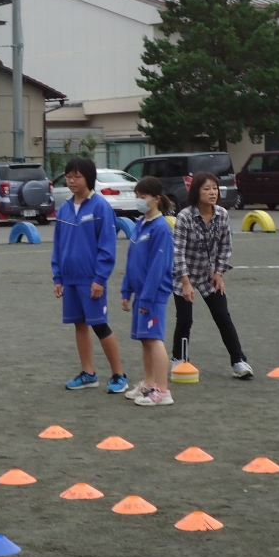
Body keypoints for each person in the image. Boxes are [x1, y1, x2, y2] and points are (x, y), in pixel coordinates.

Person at [50, 157, 127, 394]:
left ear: (88, 178)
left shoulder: (101, 208)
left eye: (77, 176)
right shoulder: (64, 209)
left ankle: (118, 375)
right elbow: (58, 246)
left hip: (91, 280)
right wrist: (58, 277)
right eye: (68, 176)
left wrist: (99, 279)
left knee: (100, 325)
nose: (71, 181)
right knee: (79, 325)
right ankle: (88, 373)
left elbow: (106, 247)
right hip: (70, 279)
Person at [171, 172, 252, 379]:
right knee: (185, 319)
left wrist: (219, 272)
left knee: (223, 316)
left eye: (215, 188)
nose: (212, 192)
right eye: (206, 188)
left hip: (208, 275)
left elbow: (226, 246)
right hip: (184, 274)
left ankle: (239, 361)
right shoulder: (185, 216)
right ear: (196, 192)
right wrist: (185, 283)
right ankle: (179, 359)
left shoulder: (222, 215)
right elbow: (177, 251)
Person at [120, 176, 175, 407]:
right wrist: (126, 291)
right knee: (145, 340)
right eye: (137, 196)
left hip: (152, 295)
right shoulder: (141, 224)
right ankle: (149, 383)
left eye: (142, 197)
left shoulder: (161, 228)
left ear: (156, 199)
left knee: (154, 339)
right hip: (141, 293)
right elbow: (133, 260)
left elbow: (157, 267)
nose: (139, 201)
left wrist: (147, 297)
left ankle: (163, 391)